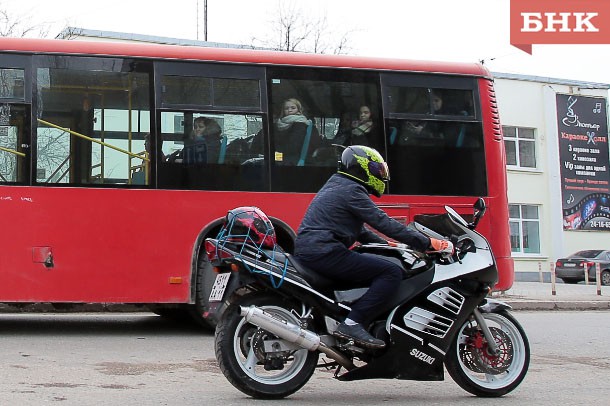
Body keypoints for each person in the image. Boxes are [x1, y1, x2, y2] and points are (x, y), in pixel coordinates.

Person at [294, 145, 453, 349]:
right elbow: (383, 222)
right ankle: (352, 323)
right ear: (362, 168)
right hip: (324, 251)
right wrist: (428, 242)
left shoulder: (338, 185)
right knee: (391, 272)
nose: (381, 175)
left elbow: (359, 231)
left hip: (315, 250)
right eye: (377, 170)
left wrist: (389, 245)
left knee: (375, 264)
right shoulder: (351, 189)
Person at [272, 98, 321, 165]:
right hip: (282, 160)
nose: (289, 110)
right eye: (286, 108)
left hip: (294, 163)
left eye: (293, 108)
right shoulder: (278, 124)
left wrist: (277, 150)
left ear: (298, 109)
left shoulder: (300, 124)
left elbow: (294, 146)